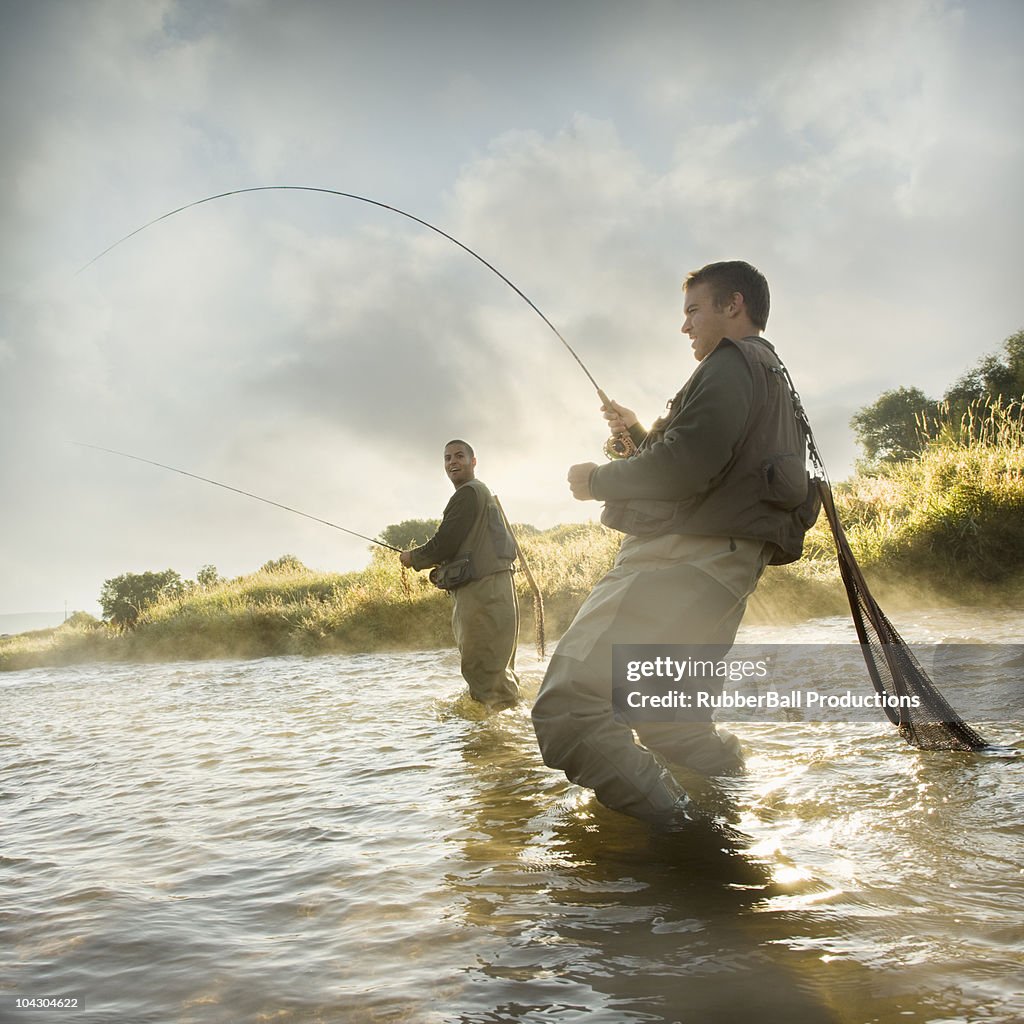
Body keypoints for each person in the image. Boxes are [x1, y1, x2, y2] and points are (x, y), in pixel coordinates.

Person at [531, 261, 816, 827]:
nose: (684, 327)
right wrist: (639, 435)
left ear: (733, 305)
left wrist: (598, 481)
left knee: (568, 706)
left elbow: (685, 466)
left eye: (693, 310)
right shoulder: (770, 373)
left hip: (678, 565)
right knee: (671, 722)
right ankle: (741, 817)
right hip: (721, 577)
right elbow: (711, 462)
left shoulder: (730, 363)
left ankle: (687, 846)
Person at [400, 440, 521, 709]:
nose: (452, 462)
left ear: (473, 461)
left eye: (459, 456)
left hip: (482, 592)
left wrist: (413, 558)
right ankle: (509, 741)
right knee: (499, 672)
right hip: (497, 589)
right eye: (447, 458)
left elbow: (445, 542)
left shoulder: (467, 494)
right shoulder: (482, 492)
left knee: (483, 672)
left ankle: (492, 743)